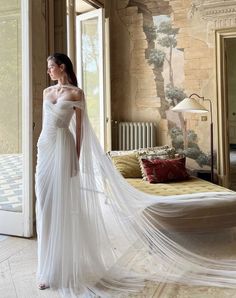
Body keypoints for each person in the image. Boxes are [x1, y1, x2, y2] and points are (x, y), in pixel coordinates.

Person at [35, 53, 236, 297]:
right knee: (44, 205)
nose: (48, 71)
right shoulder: (46, 93)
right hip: (45, 147)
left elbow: (80, 131)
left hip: (64, 148)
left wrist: (76, 161)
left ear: (61, 67)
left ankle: (57, 267)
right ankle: (44, 267)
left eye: (50, 67)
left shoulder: (77, 93)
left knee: (63, 205)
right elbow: (47, 123)